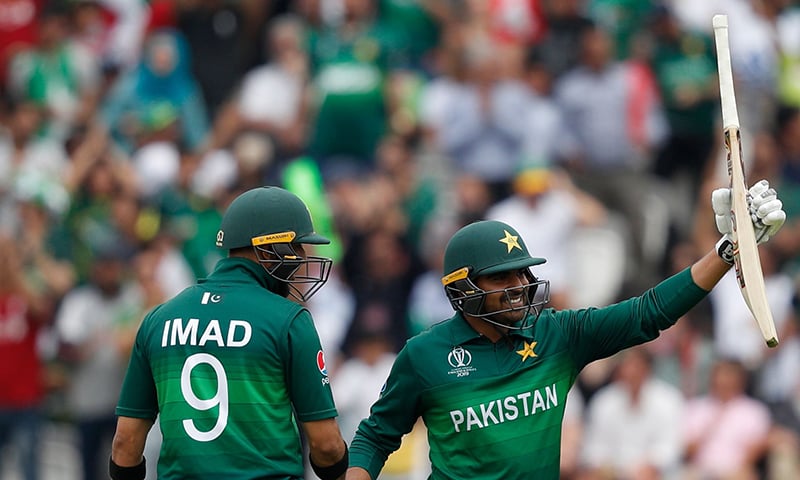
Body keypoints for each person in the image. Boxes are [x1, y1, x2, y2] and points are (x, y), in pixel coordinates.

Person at [345, 178, 786, 480]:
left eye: (522, 274)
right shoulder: (424, 356)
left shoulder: (558, 335)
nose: (519, 287)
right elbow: (375, 435)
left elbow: (648, 313)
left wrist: (727, 251)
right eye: (502, 277)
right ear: (462, 289)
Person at [109, 186, 349, 480]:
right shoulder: (289, 320)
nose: (301, 259)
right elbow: (327, 447)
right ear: (268, 247)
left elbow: (125, 445)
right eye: (296, 247)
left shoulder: (158, 319)